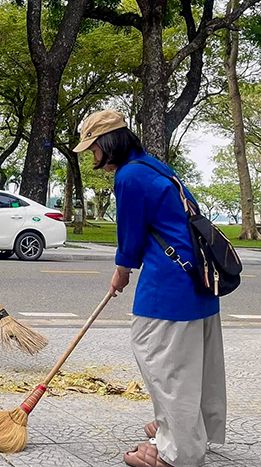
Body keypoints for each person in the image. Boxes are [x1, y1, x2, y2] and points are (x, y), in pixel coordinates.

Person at [74, 110, 225, 467]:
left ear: (107, 143)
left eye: (93, 150)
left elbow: (131, 235)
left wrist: (122, 270)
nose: (94, 159)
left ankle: (178, 454)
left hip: (169, 286)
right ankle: (179, 431)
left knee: (164, 363)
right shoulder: (157, 167)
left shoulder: (130, 175)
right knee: (194, 366)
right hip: (199, 280)